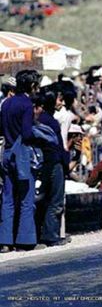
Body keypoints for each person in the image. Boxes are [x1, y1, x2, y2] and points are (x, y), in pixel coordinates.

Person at [0, 70, 40, 253]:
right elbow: (26, 133)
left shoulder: (6, 103)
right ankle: (25, 241)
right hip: (22, 154)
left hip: (7, 153)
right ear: (31, 86)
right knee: (26, 197)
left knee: (7, 198)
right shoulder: (26, 104)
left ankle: (5, 241)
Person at [35, 92, 69, 247]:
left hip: (41, 164)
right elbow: (58, 148)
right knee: (55, 200)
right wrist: (66, 164)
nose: (60, 102)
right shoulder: (52, 122)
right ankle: (51, 236)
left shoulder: (38, 120)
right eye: (58, 99)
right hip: (53, 164)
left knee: (41, 199)